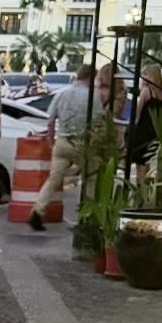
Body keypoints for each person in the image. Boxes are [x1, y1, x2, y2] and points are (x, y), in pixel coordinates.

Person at [26, 61, 117, 230]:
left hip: (62, 142)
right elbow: (98, 122)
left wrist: (52, 140)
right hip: (84, 144)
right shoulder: (93, 97)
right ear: (90, 77)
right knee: (90, 179)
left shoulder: (62, 93)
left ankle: (37, 211)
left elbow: (51, 121)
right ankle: (86, 218)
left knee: (54, 179)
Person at [125, 63, 162, 183]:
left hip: (142, 130)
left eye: (145, 74)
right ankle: (147, 189)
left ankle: (140, 191)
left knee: (140, 164)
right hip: (155, 130)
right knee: (148, 162)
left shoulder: (147, 91)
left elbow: (138, 112)